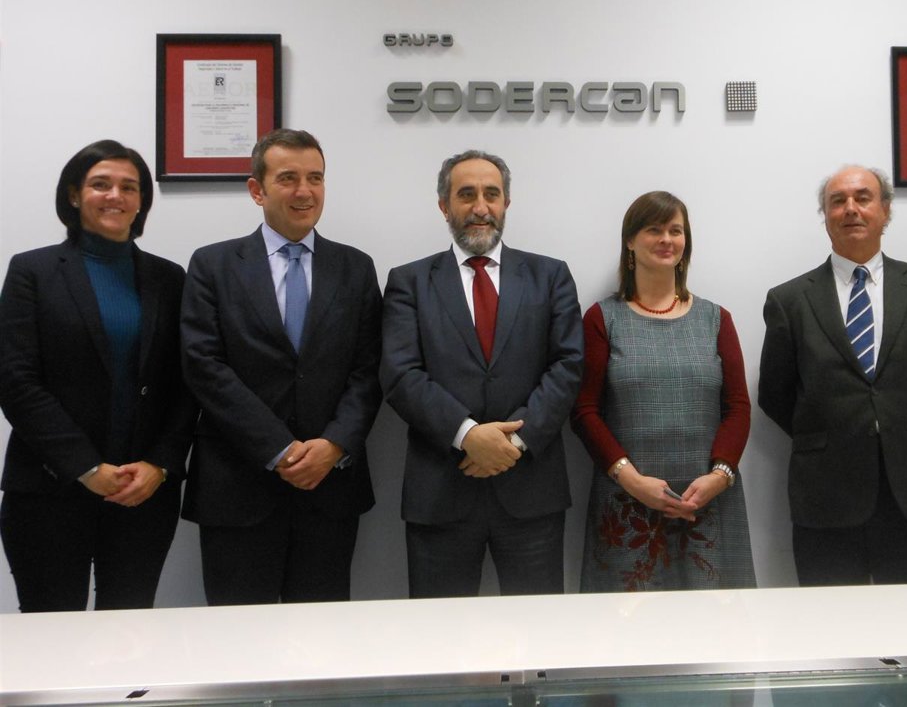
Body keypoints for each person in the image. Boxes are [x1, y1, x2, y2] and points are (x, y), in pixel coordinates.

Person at [180, 129, 382, 604]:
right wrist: (278, 449)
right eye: (288, 178)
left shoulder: (355, 267)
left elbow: (370, 368)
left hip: (329, 487)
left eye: (316, 178)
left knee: (320, 635)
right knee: (237, 634)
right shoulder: (213, 265)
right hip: (238, 487)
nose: (304, 191)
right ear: (257, 190)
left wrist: (334, 444)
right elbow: (204, 366)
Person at [0, 140, 193, 612]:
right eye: (100, 184)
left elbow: (187, 385)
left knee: (129, 632)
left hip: (143, 492)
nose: (115, 196)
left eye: (129, 187)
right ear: (74, 194)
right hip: (49, 489)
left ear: (142, 201)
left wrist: (160, 465)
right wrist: (86, 468)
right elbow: (16, 380)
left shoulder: (170, 278)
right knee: (52, 634)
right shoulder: (32, 271)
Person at [381, 149, 583, 598]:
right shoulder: (409, 281)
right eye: (466, 194)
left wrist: (512, 443)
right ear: (444, 205)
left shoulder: (550, 275)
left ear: (506, 202)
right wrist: (468, 434)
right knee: (439, 633)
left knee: (538, 631)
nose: (480, 207)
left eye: (491, 194)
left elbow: (568, 366)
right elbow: (400, 374)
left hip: (531, 491)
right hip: (440, 492)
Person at [758, 166, 907, 585]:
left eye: (863, 198)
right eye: (838, 201)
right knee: (830, 619)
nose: (850, 209)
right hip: (825, 494)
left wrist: (898, 428)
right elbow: (775, 394)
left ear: (885, 210)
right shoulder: (789, 300)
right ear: (825, 215)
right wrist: (834, 433)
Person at [571, 191, 755, 592]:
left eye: (676, 230)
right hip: (627, 503)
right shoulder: (602, 319)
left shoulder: (716, 319)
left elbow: (738, 407)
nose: (666, 239)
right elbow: (585, 411)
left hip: (707, 503)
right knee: (627, 625)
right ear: (630, 241)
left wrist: (720, 476)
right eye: (654, 230)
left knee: (715, 623)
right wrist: (631, 479)